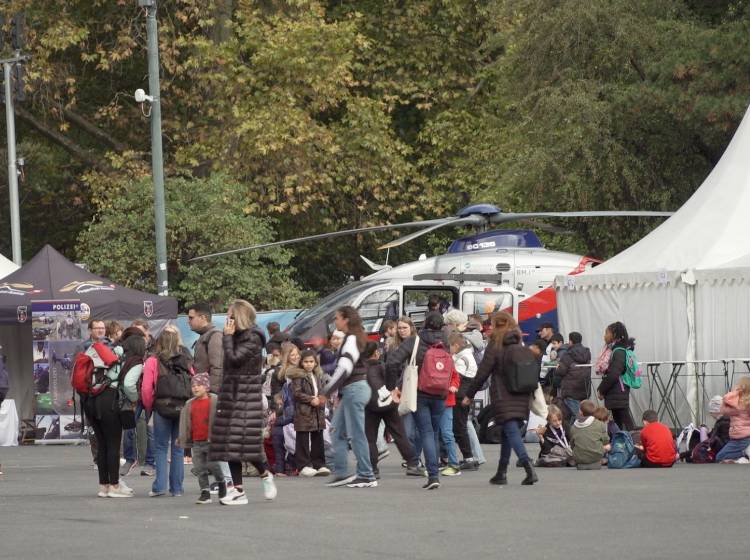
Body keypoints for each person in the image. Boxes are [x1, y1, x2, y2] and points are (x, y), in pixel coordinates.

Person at [210, 299, 278, 504]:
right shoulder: (238, 336)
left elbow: (234, 359)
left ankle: (265, 473)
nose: (227, 320)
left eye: (230, 315)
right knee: (230, 444)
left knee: (245, 442)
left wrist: (227, 338)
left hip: (246, 397)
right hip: (231, 394)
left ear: (238, 316)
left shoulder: (253, 337)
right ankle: (238, 490)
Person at [462, 312, 538, 486]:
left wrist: (469, 395)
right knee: (506, 433)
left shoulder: (495, 344)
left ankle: (528, 467)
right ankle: (501, 472)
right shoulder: (520, 343)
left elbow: (483, 372)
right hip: (522, 394)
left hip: (504, 395)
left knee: (510, 431)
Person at [387, 312, 450, 490]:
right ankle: (435, 471)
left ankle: (432, 476)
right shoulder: (445, 342)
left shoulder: (415, 341)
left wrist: (392, 387)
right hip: (440, 392)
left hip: (420, 392)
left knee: (426, 432)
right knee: (435, 432)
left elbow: (392, 362)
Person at [321, 306, 377, 489]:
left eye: (337, 318)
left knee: (356, 434)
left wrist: (326, 392)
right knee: (337, 431)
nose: (335, 321)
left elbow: (344, 368)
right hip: (354, 389)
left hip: (354, 389)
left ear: (346, 319)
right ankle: (342, 472)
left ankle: (366, 474)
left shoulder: (351, 339)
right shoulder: (354, 337)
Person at [141, 326, 193, 497]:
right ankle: (177, 488)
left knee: (161, 448)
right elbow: (194, 381)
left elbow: (147, 389)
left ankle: (159, 486)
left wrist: (150, 407)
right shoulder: (185, 359)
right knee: (178, 448)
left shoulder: (152, 361)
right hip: (182, 408)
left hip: (162, 408)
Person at [83, 320, 132, 498]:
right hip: (109, 400)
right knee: (113, 444)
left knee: (102, 445)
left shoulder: (85, 350)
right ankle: (114, 485)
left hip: (90, 400)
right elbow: (125, 380)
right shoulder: (115, 351)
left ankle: (103, 486)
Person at [362, 342, 421, 477]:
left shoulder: (360, 370)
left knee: (370, 437)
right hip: (388, 403)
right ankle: (412, 463)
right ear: (376, 353)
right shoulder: (382, 367)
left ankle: (372, 468)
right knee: (399, 433)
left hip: (370, 405)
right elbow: (393, 380)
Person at [176, 372, 231, 504]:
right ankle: (205, 492)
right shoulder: (189, 404)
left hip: (211, 440)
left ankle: (221, 482)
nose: (195, 388)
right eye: (193, 385)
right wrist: (182, 437)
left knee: (213, 464)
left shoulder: (215, 400)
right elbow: (185, 423)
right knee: (200, 468)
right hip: (196, 441)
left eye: (199, 385)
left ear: (206, 387)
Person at [288, 349, 330, 477]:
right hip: (304, 411)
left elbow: (322, 390)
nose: (309, 364)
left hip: (317, 411)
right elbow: (297, 393)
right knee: (303, 439)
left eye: (311, 361)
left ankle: (319, 464)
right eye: (306, 362)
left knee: (318, 438)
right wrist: (311, 399)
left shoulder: (317, 375)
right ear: (301, 363)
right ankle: (303, 465)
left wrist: (322, 399)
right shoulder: (298, 376)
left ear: (316, 363)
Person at [596, 322, 635, 431]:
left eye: (606, 333)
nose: (604, 336)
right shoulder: (616, 350)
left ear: (614, 334)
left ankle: (633, 443)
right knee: (619, 420)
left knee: (625, 421)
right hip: (617, 392)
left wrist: (602, 389)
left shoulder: (619, 351)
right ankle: (624, 444)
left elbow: (613, 374)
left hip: (618, 390)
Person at [449, 331, 479, 471]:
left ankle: (469, 458)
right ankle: (471, 457)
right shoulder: (467, 355)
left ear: (455, 345)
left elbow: (457, 378)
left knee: (459, 427)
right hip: (465, 395)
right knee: (462, 426)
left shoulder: (462, 359)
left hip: (460, 396)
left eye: (450, 346)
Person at [555, 332, 592, 422]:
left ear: (570, 341)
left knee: (578, 417)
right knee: (574, 416)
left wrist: (557, 367)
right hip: (584, 389)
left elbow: (561, 371)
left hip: (571, 391)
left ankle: (575, 435)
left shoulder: (568, 354)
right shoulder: (587, 353)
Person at [188, 303, 224, 394]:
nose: (188, 321)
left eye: (191, 318)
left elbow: (217, 366)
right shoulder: (205, 335)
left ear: (203, 318)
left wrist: (212, 392)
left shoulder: (215, 335)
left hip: (209, 394)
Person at [715, 377, 750, 463]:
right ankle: (744, 457)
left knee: (720, 457)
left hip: (740, 438)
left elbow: (723, 411)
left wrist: (732, 394)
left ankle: (744, 453)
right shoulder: (747, 403)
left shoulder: (737, 405)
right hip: (745, 437)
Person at [570, 400, 611, 470]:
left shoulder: (573, 427)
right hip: (596, 457)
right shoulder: (600, 424)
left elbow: (572, 445)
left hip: (579, 458)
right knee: (608, 446)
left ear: (580, 412)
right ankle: (599, 459)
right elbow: (606, 441)